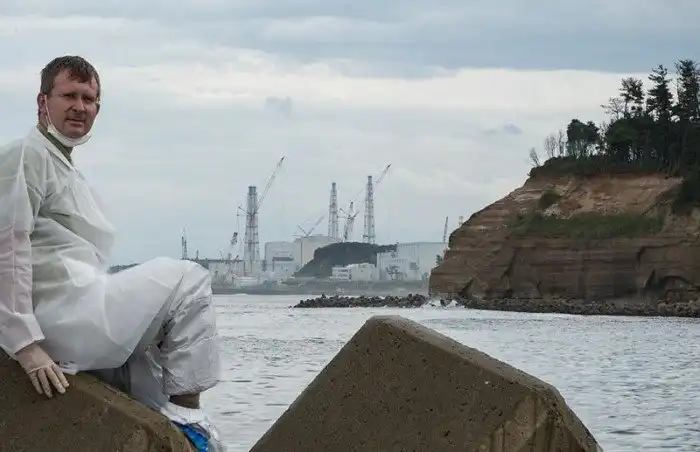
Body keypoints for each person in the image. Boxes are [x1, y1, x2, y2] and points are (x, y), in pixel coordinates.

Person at [0, 55, 225, 452]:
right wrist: (25, 345)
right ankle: (189, 414)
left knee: (154, 388)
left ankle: (192, 434)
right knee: (189, 279)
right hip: (58, 317)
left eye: (89, 99)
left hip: (79, 315)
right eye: (69, 95)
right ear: (42, 101)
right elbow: (8, 245)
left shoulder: (66, 169)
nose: (79, 107)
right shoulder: (26, 154)